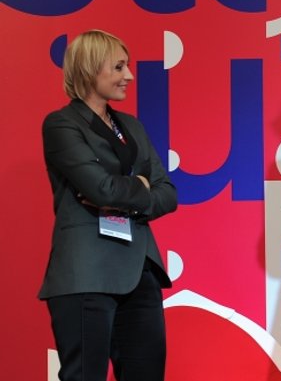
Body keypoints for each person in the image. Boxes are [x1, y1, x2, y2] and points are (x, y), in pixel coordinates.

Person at [39, 30, 178, 381]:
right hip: (87, 272)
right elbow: (100, 189)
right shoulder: (61, 124)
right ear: (89, 70)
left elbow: (167, 193)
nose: (128, 75)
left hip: (140, 270)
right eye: (118, 67)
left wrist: (124, 195)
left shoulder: (131, 126)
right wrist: (137, 187)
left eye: (126, 66)